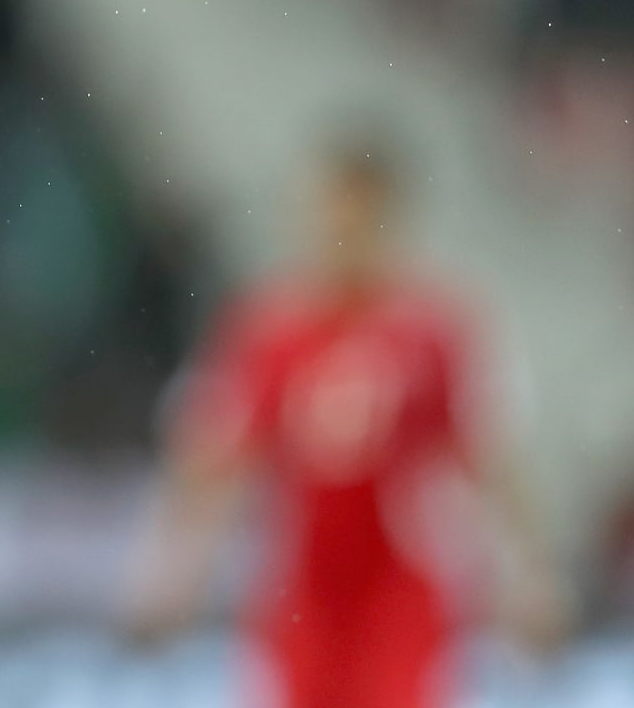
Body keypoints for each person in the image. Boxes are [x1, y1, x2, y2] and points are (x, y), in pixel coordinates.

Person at [124, 137, 574, 708]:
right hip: (301, 600)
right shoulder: (267, 332)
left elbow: (489, 460)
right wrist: (172, 575)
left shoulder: (435, 332)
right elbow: (212, 463)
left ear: (389, 218)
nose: (337, 233)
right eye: (326, 214)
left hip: (399, 601)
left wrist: (531, 578)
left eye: (354, 218)